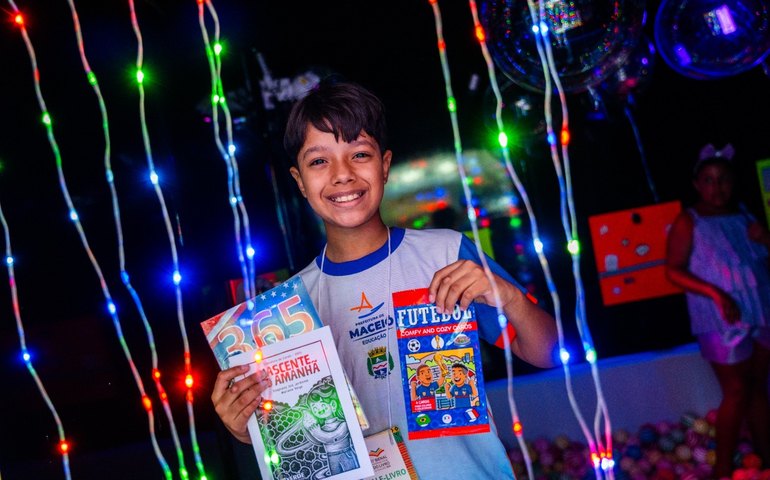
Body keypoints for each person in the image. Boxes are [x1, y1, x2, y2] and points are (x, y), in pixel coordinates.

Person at [211, 79, 558, 478]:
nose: (342, 175)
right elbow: (297, 445)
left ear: (385, 165)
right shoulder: (289, 309)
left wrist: (511, 299)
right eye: (319, 161)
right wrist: (246, 426)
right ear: (300, 182)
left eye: (359, 154)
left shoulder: (446, 252)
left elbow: (551, 353)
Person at [666, 143, 770, 479]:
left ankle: (766, 459)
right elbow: (673, 270)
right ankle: (723, 468)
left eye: (723, 179)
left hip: (760, 309)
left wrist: (766, 239)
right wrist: (715, 292)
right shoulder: (689, 221)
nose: (717, 187)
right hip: (719, 317)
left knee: (756, 386)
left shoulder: (745, 216)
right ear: (697, 184)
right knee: (736, 390)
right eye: (709, 180)